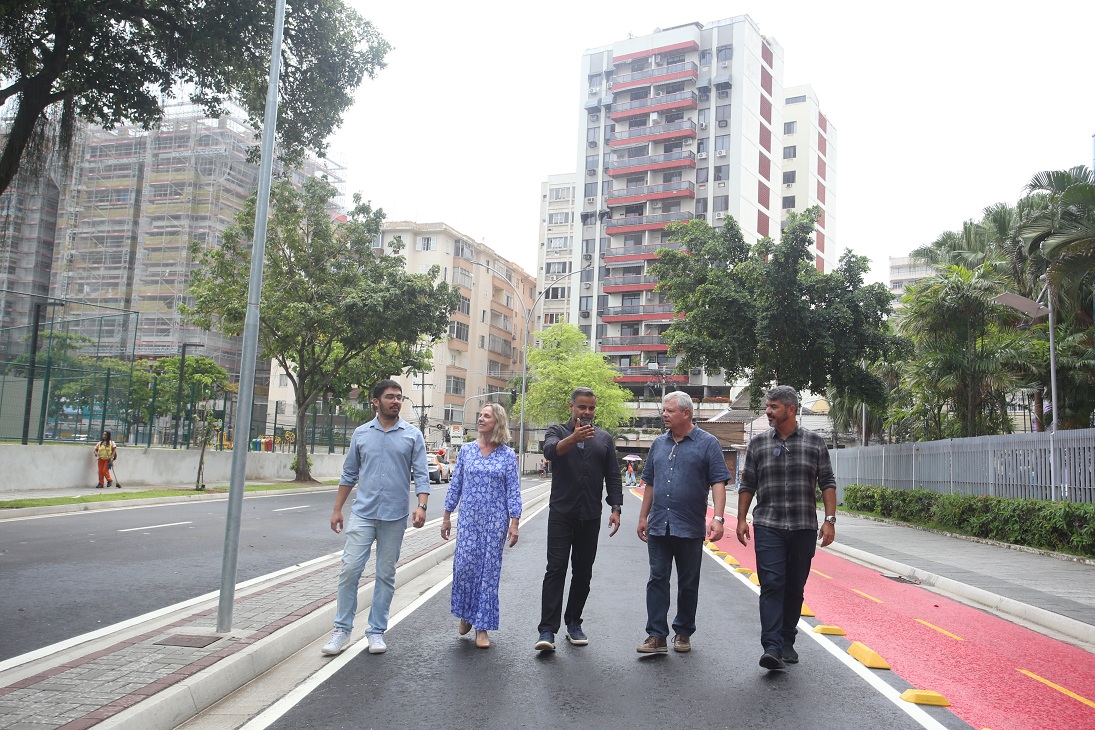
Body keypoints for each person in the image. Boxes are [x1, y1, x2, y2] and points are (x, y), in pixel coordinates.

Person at [321, 379, 430, 657]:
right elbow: (348, 474)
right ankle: (342, 630)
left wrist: (422, 506)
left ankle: (376, 631)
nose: (396, 401)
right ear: (376, 401)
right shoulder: (360, 434)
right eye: (390, 397)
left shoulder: (412, 435)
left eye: (399, 397)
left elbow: (421, 474)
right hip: (363, 514)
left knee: (385, 574)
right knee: (350, 570)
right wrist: (337, 509)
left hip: (394, 516)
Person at [736, 385, 837, 671]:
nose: (768, 411)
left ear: (791, 409)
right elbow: (748, 484)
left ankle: (786, 639)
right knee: (771, 584)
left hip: (804, 526)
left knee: (795, 587)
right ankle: (771, 646)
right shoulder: (758, 444)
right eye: (767, 406)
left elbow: (827, 482)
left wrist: (830, 521)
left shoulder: (815, 443)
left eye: (774, 407)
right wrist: (741, 519)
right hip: (769, 524)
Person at [636, 391, 730, 654]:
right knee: (657, 579)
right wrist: (643, 516)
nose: (664, 414)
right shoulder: (658, 444)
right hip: (658, 525)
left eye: (669, 410)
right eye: (664, 410)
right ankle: (656, 636)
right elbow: (650, 483)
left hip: (689, 526)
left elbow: (718, 483)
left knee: (688, 582)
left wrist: (718, 519)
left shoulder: (708, 443)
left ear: (686, 413)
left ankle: (683, 632)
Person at [535, 386, 623, 651]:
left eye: (591, 408)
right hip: (561, 515)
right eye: (582, 407)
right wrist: (573, 438)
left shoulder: (604, 439)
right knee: (556, 569)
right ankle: (547, 630)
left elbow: (614, 475)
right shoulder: (557, 432)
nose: (587, 412)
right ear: (571, 407)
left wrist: (616, 507)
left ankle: (574, 622)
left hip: (590, 516)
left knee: (583, 572)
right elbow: (551, 452)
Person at [441, 403, 522, 649]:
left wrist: (514, 522)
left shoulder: (507, 455)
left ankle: (482, 628)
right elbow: (456, 485)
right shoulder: (466, 451)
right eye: (480, 415)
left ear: (497, 422)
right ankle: (466, 613)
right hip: (468, 521)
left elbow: (513, 491)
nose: (481, 419)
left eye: (486, 416)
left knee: (488, 573)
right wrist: (446, 516)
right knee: (465, 567)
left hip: (495, 522)